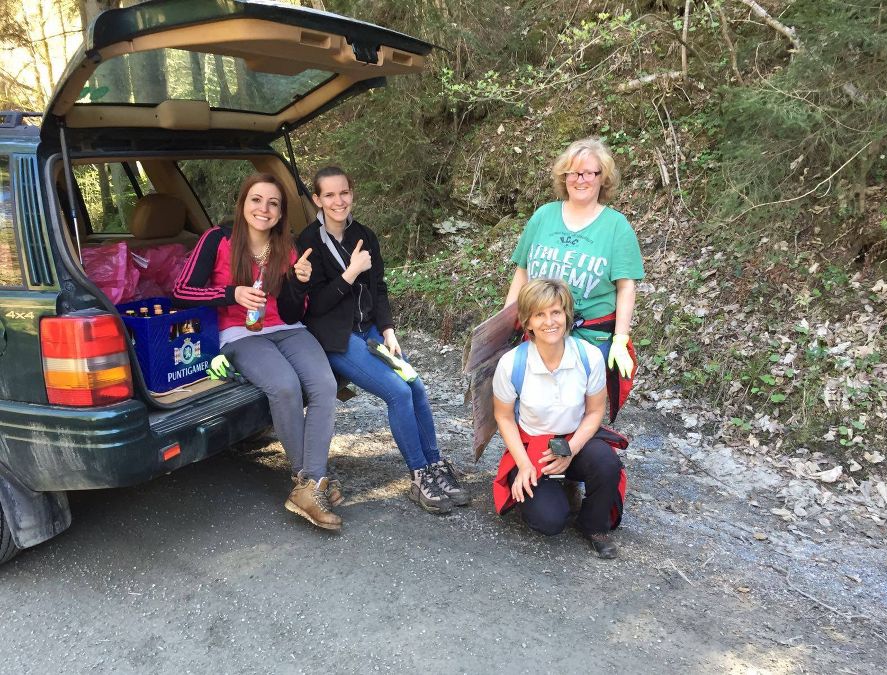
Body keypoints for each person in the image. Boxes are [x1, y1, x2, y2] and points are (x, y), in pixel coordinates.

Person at [296, 166, 471, 515]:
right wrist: (351, 272)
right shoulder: (308, 242)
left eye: (343, 192)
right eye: (329, 195)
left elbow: (378, 289)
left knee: (416, 386)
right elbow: (314, 305)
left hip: (371, 333)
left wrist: (388, 330)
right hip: (336, 338)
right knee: (397, 391)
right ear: (317, 199)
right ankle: (419, 476)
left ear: (352, 193)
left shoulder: (365, 235)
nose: (338, 200)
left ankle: (435, 465)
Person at [173, 172, 342, 531]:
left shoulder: (289, 247)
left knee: (325, 386)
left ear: (280, 214)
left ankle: (310, 483)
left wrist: (299, 283)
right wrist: (230, 293)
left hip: (288, 329)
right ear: (243, 203)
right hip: (238, 333)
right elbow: (182, 290)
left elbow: (296, 311)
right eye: (256, 199)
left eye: (273, 203)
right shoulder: (217, 239)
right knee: (283, 386)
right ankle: (312, 482)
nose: (263, 209)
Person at [504, 138, 644, 421]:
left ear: (602, 178)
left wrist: (620, 338)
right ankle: (532, 463)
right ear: (563, 177)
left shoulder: (617, 227)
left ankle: (573, 463)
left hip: (590, 340)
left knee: (575, 418)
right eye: (573, 173)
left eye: (589, 173)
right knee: (529, 410)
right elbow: (522, 271)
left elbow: (626, 286)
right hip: (539, 333)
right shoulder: (543, 217)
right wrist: (505, 323)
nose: (580, 180)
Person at [493, 279, 626, 558]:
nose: (549, 322)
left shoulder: (588, 356)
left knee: (606, 462)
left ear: (567, 315)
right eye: (539, 314)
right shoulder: (512, 364)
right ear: (527, 322)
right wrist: (524, 464)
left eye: (556, 312)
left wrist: (571, 450)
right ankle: (552, 489)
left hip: (575, 439)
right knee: (549, 522)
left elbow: (594, 412)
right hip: (534, 447)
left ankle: (594, 525)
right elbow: (504, 417)